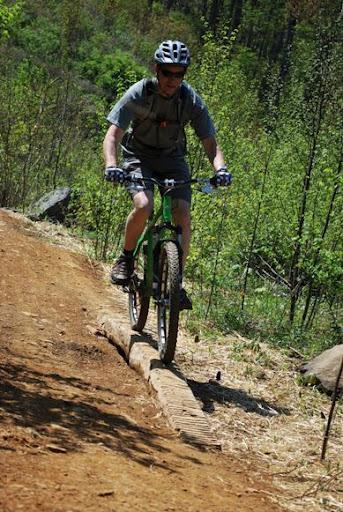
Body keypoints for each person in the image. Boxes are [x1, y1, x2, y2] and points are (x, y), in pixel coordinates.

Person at [103, 40, 231, 310]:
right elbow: (114, 134)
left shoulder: (189, 99)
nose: (173, 80)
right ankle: (126, 258)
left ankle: (175, 282)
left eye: (179, 74)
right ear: (157, 70)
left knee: (182, 213)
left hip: (173, 160)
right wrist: (111, 165)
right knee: (144, 205)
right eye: (167, 72)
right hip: (138, 157)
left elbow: (210, 141)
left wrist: (220, 169)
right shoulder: (140, 93)